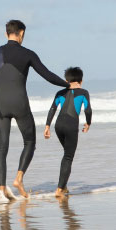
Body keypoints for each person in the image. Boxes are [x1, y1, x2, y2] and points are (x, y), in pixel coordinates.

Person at [0, 19, 69, 199]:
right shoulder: (28, 54)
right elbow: (47, 75)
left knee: (1, 148)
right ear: (22, 33)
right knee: (30, 142)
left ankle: (2, 189)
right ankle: (18, 178)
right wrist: (67, 85)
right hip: (20, 104)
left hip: (0, 105)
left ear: (6, 33)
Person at [43, 67, 92, 198]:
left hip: (58, 126)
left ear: (65, 80)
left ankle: (63, 186)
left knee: (67, 155)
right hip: (71, 126)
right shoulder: (83, 92)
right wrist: (88, 123)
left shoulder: (60, 93)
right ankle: (59, 190)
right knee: (68, 157)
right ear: (81, 80)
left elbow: (52, 108)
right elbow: (88, 109)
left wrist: (47, 126)